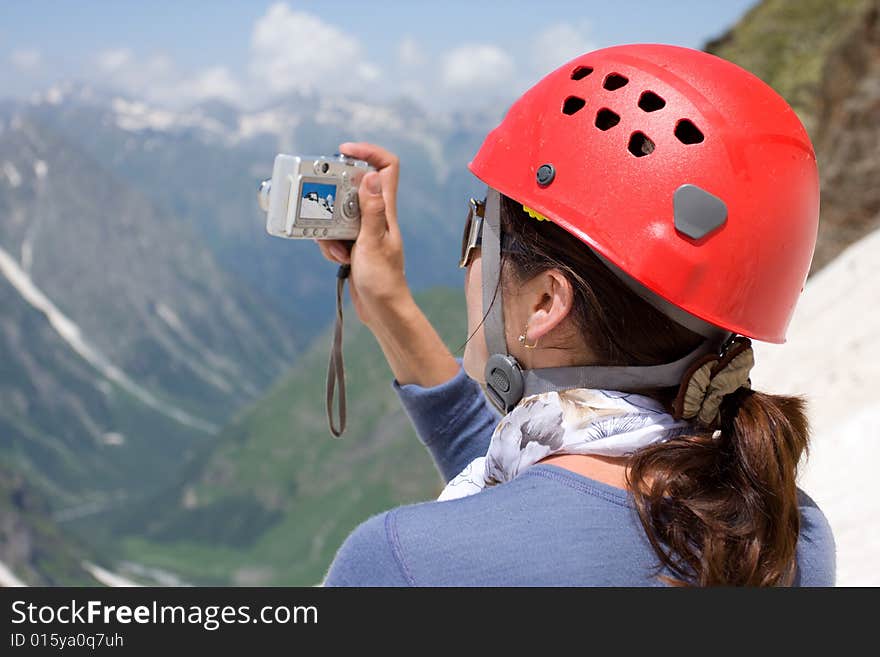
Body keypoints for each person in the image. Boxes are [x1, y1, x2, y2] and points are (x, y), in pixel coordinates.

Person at [316, 44, 835, 586]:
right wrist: (388, 306)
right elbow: (560, 520)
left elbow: (510, 534)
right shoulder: (787, 536)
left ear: (545, 303)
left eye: (477, 233)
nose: (468, 261)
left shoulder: (399, 563)